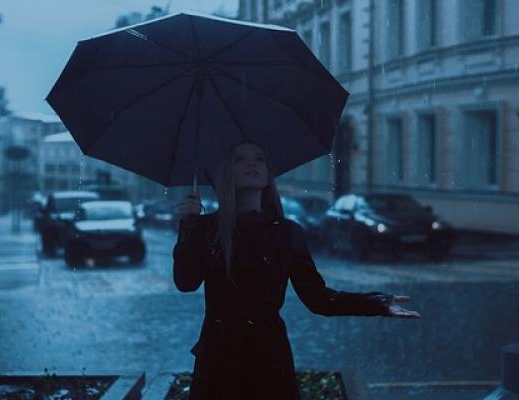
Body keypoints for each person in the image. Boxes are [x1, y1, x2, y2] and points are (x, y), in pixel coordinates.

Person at [173, 139, 420, 400]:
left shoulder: (287, 232)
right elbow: (186, 283)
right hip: (218, 358)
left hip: (268, 359)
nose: (252, 164)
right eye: (240, 159)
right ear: (226, 174)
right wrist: (188, 226)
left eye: (259, 159)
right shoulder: (207, 229)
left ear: (268, 175)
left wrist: (375, 303)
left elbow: (318, 298)